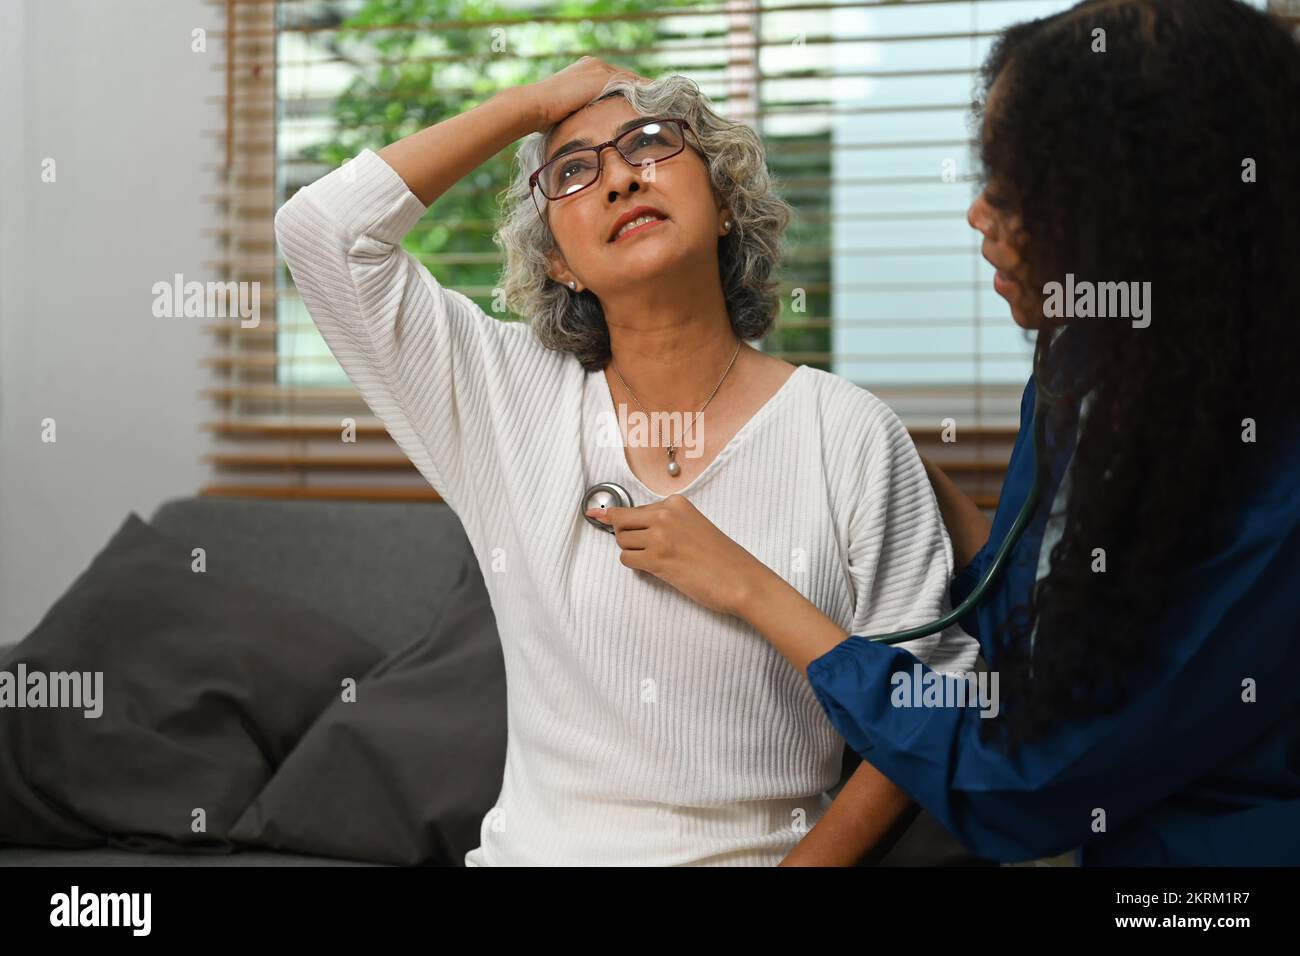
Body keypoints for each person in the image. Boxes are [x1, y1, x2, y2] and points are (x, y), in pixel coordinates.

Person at [591, 0, 1300, 865]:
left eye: (1016, 185)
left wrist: (751, 588)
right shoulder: (1090, 356)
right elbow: (1035, 613)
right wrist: (887, 461)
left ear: (1143, 216)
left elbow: (1027, 779)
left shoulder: (1273, 488)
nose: (978, 212)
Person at [274, 59, 978, 865]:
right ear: (558, 265)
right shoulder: (507, 399)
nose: (617, 179)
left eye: (648, 144)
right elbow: (321, 234)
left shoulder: (846, 430)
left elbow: (936, 692)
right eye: (574, 170)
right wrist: (534, 103)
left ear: (724, 206)